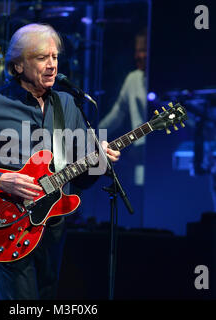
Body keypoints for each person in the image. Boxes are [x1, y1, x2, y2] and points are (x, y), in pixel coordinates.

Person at [0, 23, 120, 300]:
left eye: (55, 57)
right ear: (18, 65)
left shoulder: (67, 104)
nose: (52, 65)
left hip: (54, 225)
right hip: (7, 220)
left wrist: (99, 162)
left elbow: (80, 178)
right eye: (42, 57)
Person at [98, 28, 147, 227]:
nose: (138, 55)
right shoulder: (133, 79)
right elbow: (117, 115)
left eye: (143, 50)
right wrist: (90, 135)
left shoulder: (166, 80)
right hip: (136, 156)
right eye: (136, 50)